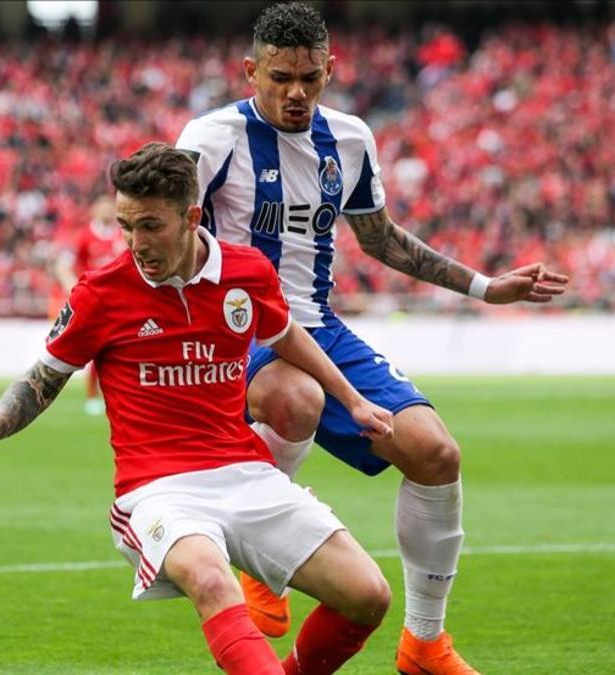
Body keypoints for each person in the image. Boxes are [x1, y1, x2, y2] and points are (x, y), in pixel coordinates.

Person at [175, 4, 569, 673]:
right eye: (279, 77)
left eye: (309, 77)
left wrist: (483, 285)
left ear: (331, 70)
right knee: (293, 396)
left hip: (320, 325)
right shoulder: (211, 138)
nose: (296, 91)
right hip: (234, 328)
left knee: (435, 452)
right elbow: (168, 224)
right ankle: (262, 569)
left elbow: (380, 239)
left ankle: (424, 643)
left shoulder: (351, 140)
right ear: (250, 72)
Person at [0, 143, 398, 674]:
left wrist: (354, 400)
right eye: (125, 226)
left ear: (191, 218)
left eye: (150, 226)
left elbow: (287, 336)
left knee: (369, 595)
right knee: (213, 580)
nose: (136, 243)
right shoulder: (101, 293)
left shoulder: (247, 273)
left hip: (246, 471)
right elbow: (42, 379)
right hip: (156, 491)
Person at [51, 195, 127, 415]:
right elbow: (63, 265)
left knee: (117, 349)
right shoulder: (84, 236)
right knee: (96, 348)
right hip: (94, 299)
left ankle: (117, 394)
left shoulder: (122, 234)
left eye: (109, 208)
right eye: (102, 207)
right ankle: (92, 396)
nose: (106, 211)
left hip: (120, 299)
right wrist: (74, 289)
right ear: (94, 210)